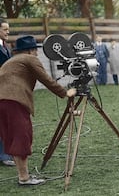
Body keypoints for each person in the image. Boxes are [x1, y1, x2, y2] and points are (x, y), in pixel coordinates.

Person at [0, 35, 77, 185]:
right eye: (35, 50)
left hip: (2, 101)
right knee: (22, 137)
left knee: (12, 137)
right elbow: (46, 79)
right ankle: (24, 178)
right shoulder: (30, 59)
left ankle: (23, 175)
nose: (37, 54)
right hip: (14, 101)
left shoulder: (11, 61)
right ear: (31, 50)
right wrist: (65, 93)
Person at [0, 17, 15, 167]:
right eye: (4, 29)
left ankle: (5, 153)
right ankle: (3, 155)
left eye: (8, 29)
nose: (7, 32)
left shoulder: (6, 46)